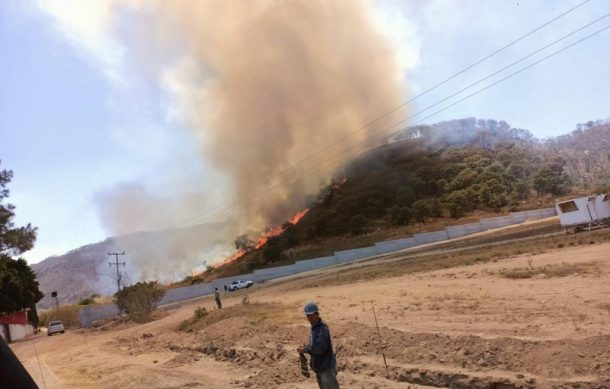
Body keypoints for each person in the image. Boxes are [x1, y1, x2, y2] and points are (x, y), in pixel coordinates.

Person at [297, 301, 339, 389]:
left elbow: (319, 348)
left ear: (317, 314)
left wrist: (305, 350)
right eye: (308, 316)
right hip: (320, 368)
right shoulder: (315, 327)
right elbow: (313, 345)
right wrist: (305, 347)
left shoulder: (322, 328)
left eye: (311, 315)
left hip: (326, 368)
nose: (309, 318)